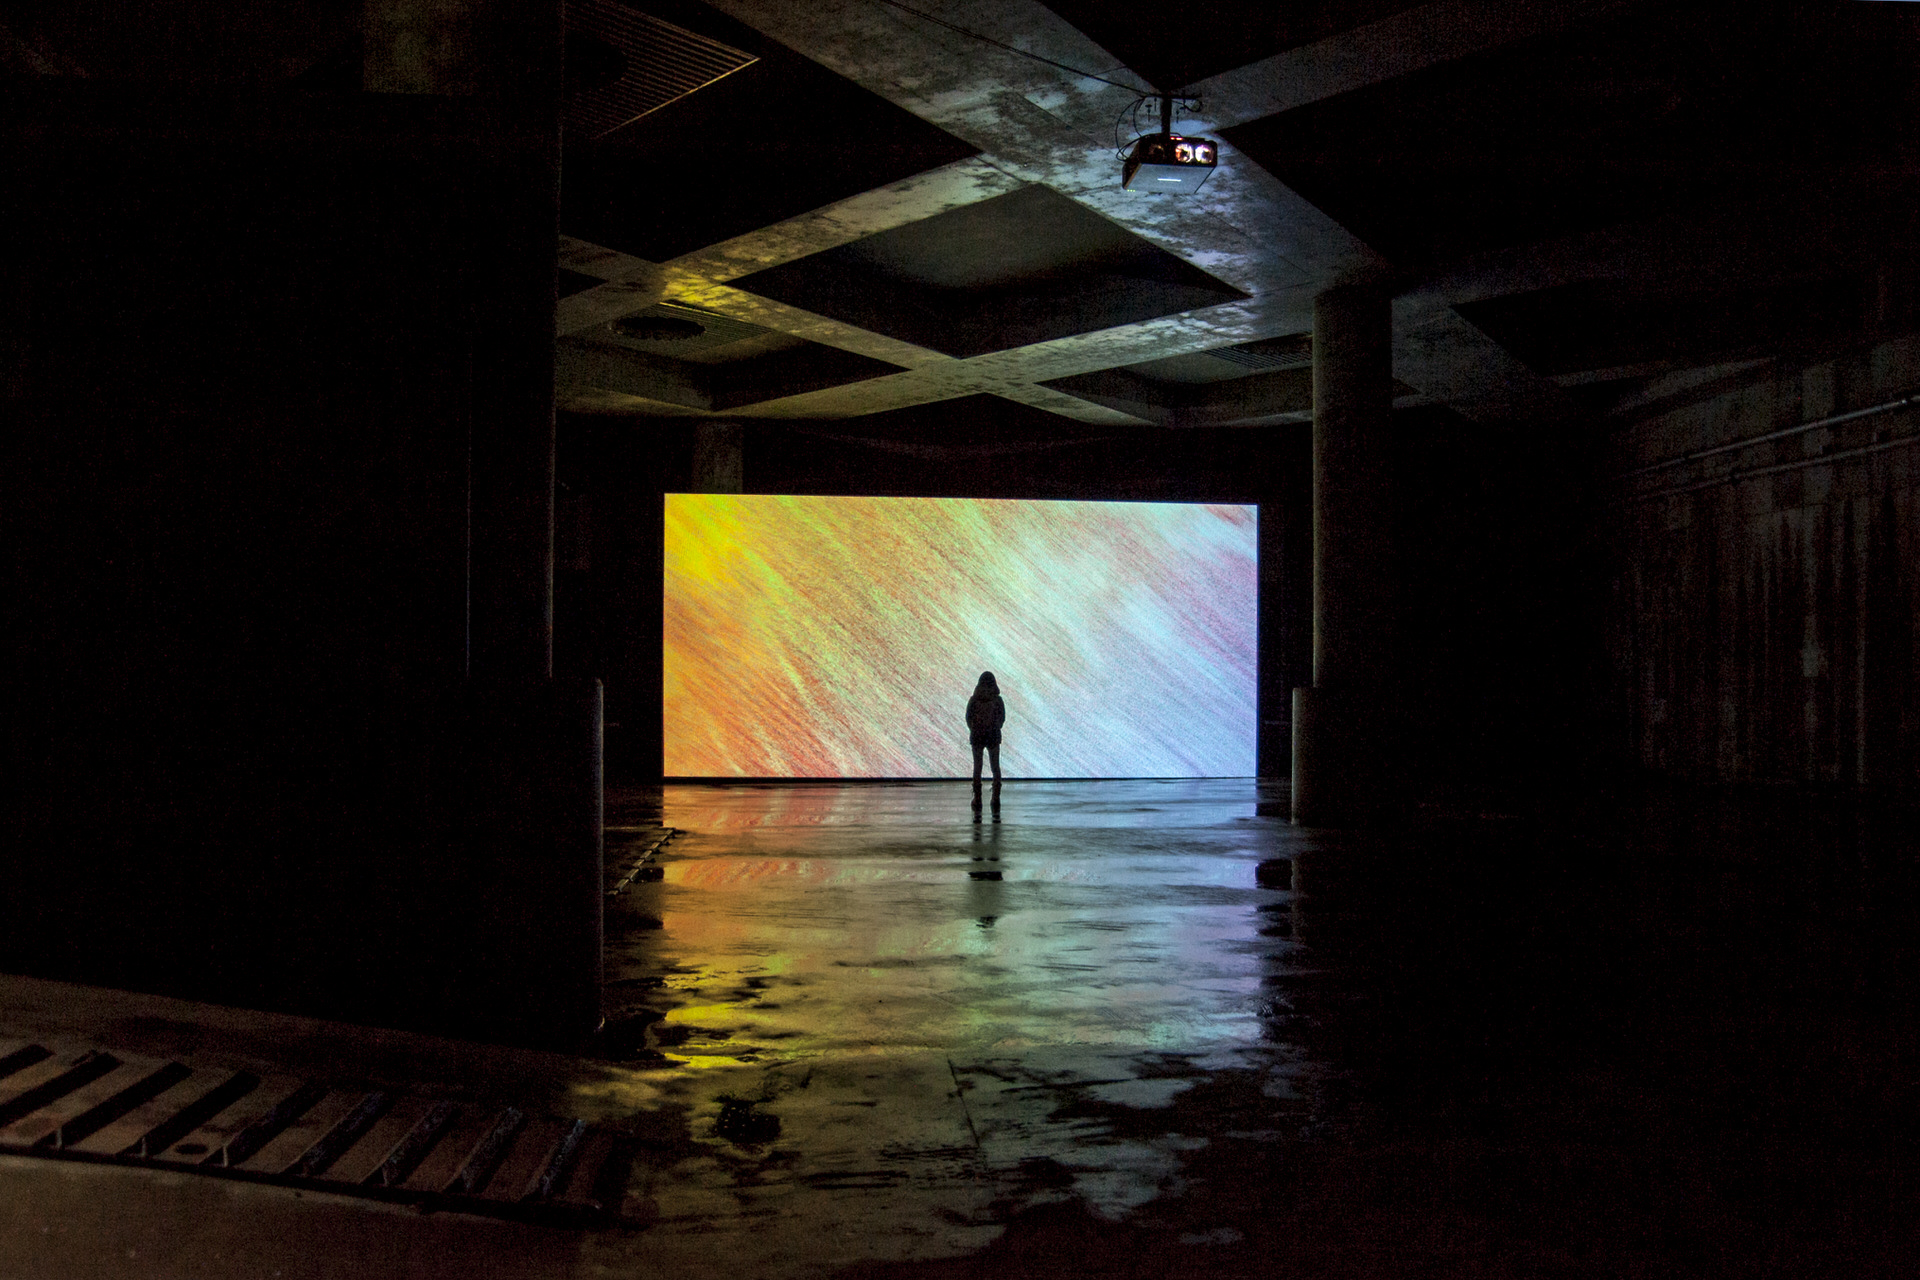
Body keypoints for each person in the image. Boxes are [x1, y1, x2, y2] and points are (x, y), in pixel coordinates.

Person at [965, 671, 1005, 786]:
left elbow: (968, 717)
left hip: (977, 736)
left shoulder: (974, 700)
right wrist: (995, 727)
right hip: (993, 735)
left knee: (977, 767)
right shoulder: (997, 700)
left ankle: (977, 792)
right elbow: (1002, 717)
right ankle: (996, 791)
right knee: (995, 766)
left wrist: (974, 728)